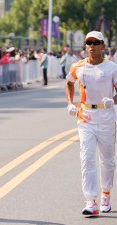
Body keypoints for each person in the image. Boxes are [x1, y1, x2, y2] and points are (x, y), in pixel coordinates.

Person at [65, 31, 117, 216]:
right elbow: (69, 82)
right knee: (86, 158)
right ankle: (90, 201)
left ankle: (105, 195)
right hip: (85, 117)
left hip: (106, 118)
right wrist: (71, 103)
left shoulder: (112, 67)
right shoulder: (78, 66)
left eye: (96, 42)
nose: (92, 46)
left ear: (103, 46)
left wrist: (114, 100)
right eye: (89, 42)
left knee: (107, 160)